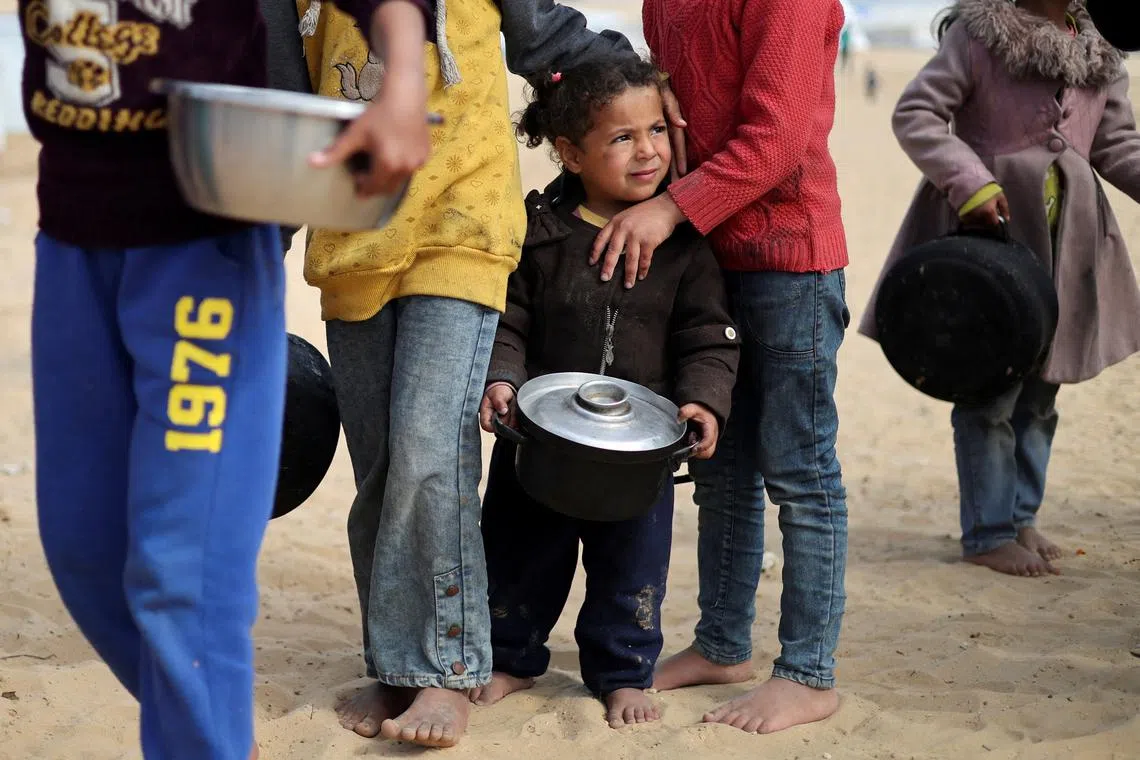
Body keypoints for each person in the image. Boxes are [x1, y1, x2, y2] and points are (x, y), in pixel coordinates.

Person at [21, 1, 432, 758]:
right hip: (72, 242)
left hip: (200, 244)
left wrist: (402, 82)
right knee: (87, 555)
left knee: (184, 580)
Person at [291, 0, 687, 748]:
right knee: (379, 466)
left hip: (463, 227)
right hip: (350, 237)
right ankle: (397, 663)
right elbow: (282, 95)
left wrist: (644, 86)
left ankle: (445, 668)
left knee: (429, 453)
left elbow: (554, 39)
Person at [587, 0, 851, 736]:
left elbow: (773, 142)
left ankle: (806, 672)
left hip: (789, 259)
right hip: (705, 264)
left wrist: (667, 211)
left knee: (801, 471)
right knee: (719, 468)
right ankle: (723, 644)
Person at [468, 58, 740, 729]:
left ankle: (622, 673)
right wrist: (502, 379)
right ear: (570, 153)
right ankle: (511, 657)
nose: (647, 149)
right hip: (540, 444)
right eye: (622, 138)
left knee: (633, 570)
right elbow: (508, 320)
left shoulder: (684, 248)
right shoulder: (542, 235)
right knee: (517, 554)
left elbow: (711, 337)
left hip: (636, 459)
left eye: (655, 129)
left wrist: (702, 401)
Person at [859, 0, 1140, 576]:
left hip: (1070, 244)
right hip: (989, 246)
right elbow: (917, 113)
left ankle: (1019, 516)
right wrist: (969, 181)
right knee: (989, 393)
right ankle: (988, 532)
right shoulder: (978, 35)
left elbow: (1116, 145)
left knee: (1042, 394)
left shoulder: (1102, 48)